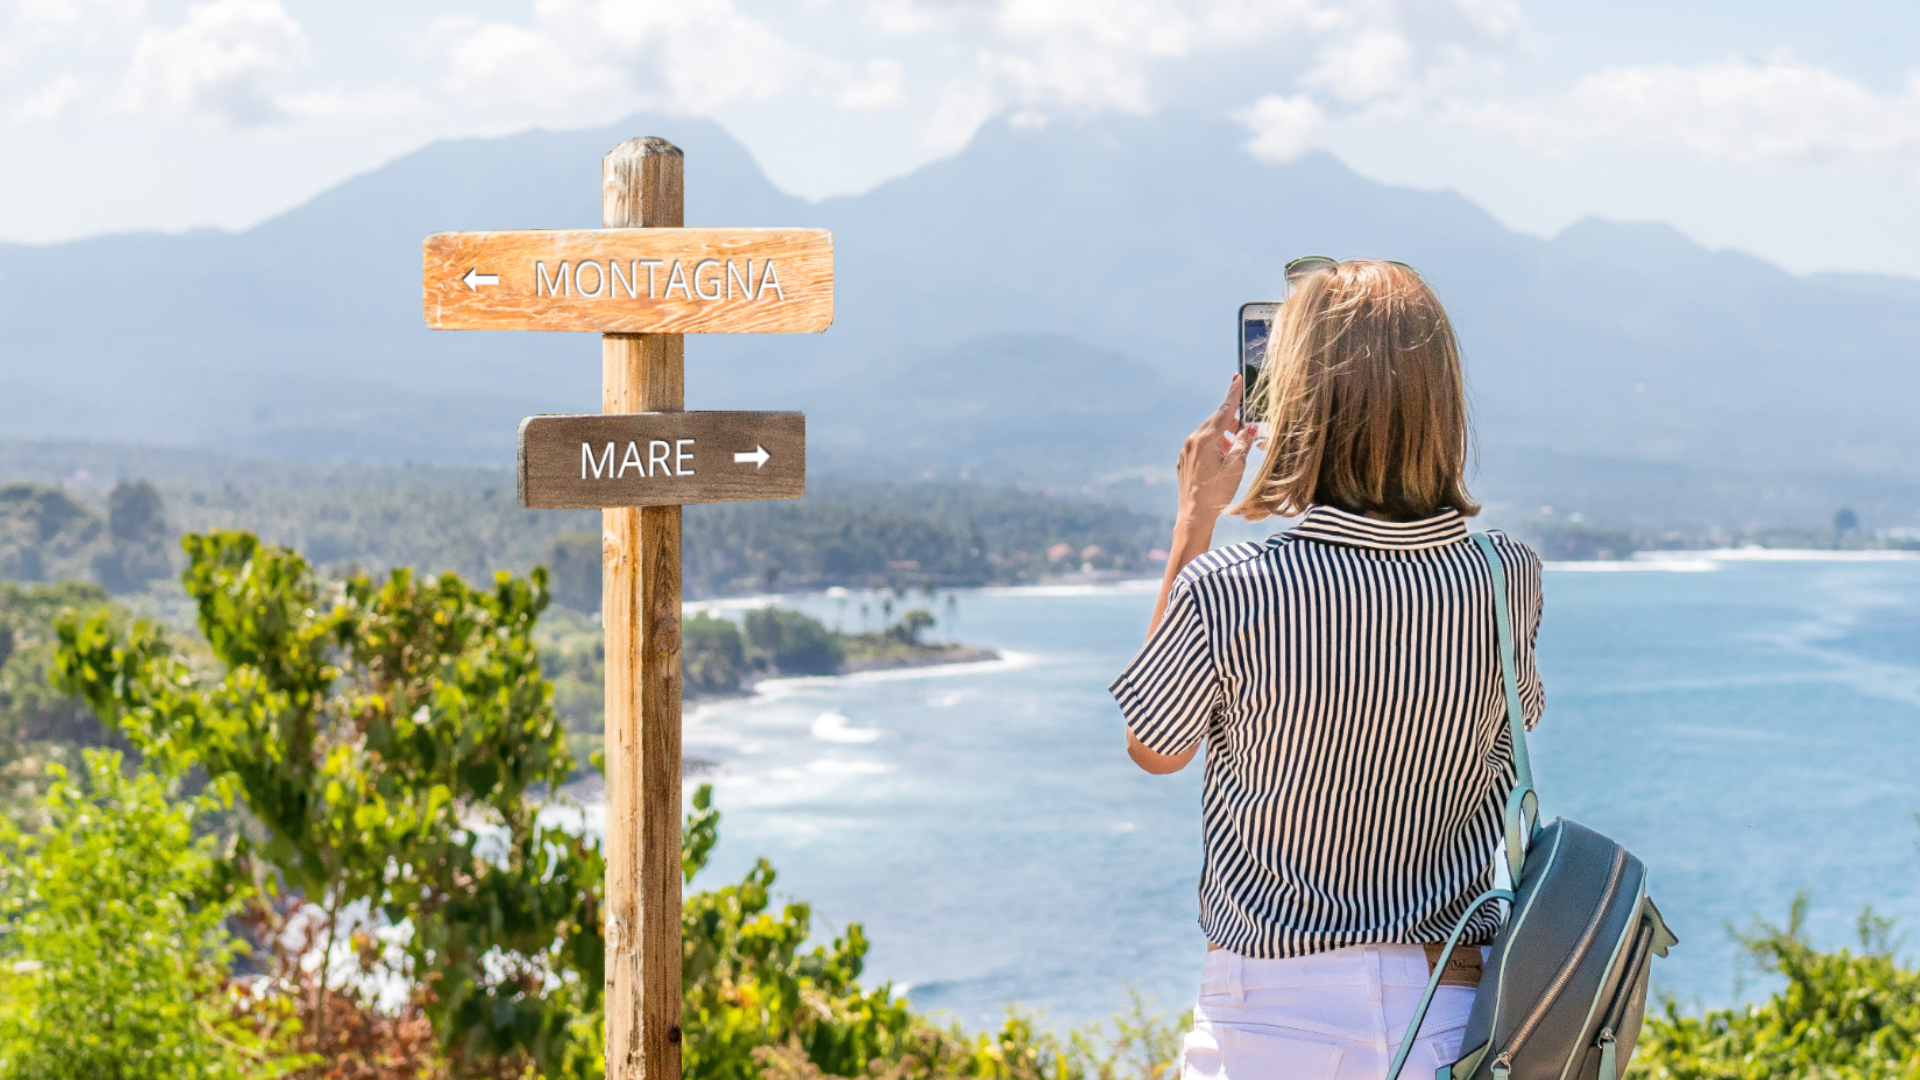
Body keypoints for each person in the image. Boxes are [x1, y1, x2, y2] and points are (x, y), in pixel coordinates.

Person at [1109, 258, 1544, 1079]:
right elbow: (1509, 732)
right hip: (1451, 1015)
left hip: (1271, 1020)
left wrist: (1194, 518)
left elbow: (1155, 745)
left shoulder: (1232, 589)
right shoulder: (1504, 577)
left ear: (1298, 404)